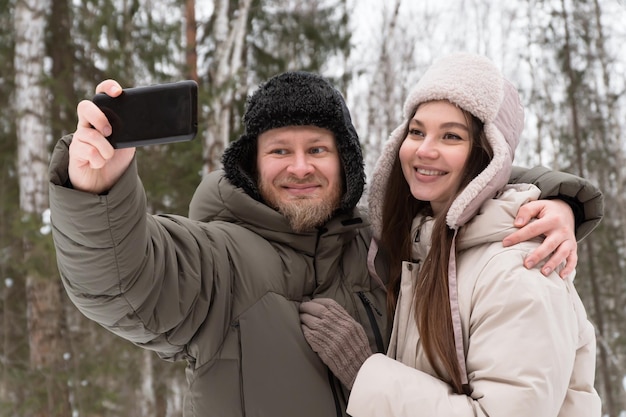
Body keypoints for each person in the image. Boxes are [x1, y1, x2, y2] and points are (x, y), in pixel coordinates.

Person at [48, 70, 602, 417]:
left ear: (349, 164)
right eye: (279, 150)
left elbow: (457, 187)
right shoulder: (217, 260)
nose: (300, 167)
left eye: (318, 148)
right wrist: (97, 189)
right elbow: (118, 280)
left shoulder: (387, 251)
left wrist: (556, 198)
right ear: (250, 165)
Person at [299, 54, 602, 416]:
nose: (425, 150)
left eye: (451, 136)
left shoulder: (519, 267)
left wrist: (366, 373)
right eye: (417, 131)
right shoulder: (420, 249)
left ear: (486, 154)